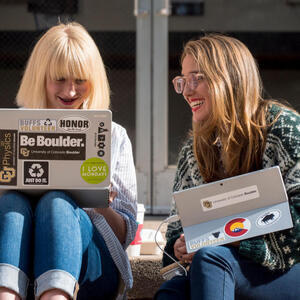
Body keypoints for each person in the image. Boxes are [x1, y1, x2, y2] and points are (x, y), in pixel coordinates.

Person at [155, 34, 300, 300]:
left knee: (212, 257)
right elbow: (176, 230)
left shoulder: (284, 129)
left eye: (197, 78)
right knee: (173, 288)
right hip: (221, 267)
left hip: (288, 268)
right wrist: (180, 247)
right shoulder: (193, 150)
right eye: (183, 81)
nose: (187, 91)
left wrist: (226, 237)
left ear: (230, 79)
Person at [0, 22, 137, 300]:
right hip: (20, 258)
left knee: (57, 201)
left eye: (80, 80)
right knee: (12, 203)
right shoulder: (11, 131)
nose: (71, 91)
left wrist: (100, 205)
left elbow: (126, 234)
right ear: (40, 77)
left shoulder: (113, 135)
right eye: (60, 79)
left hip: (93, 269)